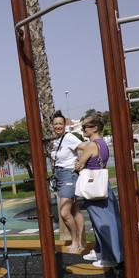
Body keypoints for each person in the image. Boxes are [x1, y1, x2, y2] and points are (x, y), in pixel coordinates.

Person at [74, 113, 123, 268]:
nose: (82, 129)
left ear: (94, 128)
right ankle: (104, 252)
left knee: (102, 223)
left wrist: (78, 163)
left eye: (85, 127)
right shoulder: (102, 144)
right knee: (109, 221)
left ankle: (111, 258)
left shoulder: (90, 146)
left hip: (92, 188)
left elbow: (79, 165)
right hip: (103, 186)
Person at [50, 111, 85, 253]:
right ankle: (82, 240)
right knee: (75, 209)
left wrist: (81, 162)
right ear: (52, 125)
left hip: (69, 175)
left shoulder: (69, 137)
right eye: (55, 124)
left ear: (65, 125)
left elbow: (86, 147)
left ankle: (75, 241)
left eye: (60, 123)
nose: (58, 126)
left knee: (64, 212)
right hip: (59, 175)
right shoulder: (54, 141)